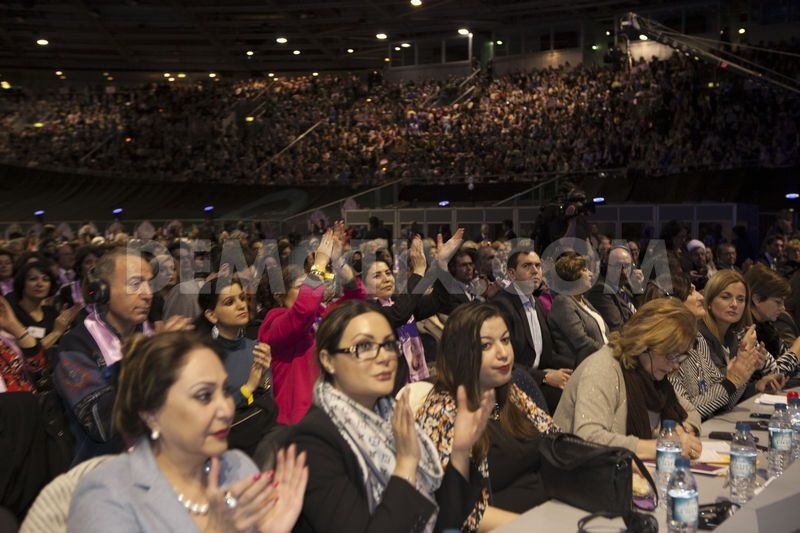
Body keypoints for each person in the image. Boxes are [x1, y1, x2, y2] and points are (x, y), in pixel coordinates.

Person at [67, 331, 308, 533]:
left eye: (225, 391)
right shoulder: (107, 495)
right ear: (152, 413)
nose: (226, 408)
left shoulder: (237, 469)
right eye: (204, 396)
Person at [289, 300, 489, 533]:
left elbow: (449, 520)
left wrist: (460, 451)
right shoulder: (312, 441)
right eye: (364, 347)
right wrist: (405, 465)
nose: (384, 357)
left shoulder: (389, 412)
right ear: (328, 360)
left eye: (388, 344)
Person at [418, 302, 557, 532]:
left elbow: (554, 437)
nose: (503, 353)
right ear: (460, 353)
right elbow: (452, 511)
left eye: (505, 340)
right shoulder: (441, 413)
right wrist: (534, 527)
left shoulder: (509, 391)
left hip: (551, 512)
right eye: (486, 345)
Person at [55, 249, 191, 463]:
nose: (148, 294)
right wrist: (153, 356)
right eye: (136, 284)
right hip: (105, 471)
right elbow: (101, 423)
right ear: (102, 292)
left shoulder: (151, 332)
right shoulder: (76, 346)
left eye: (149, 283)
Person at [553, 299, 703, 460]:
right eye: (671, 355)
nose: (675, 365)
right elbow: (588, 438)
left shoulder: (648, 374)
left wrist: (681, 431)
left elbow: (690, 411)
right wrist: (662, 446)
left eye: (681, 357)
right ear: (645, 344)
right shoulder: (602, 369)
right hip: (578, 476)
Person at [259, 226, 364, 424]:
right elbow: (302, 311)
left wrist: (338, 261)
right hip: (296, 422)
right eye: (301, 286)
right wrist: (320, 263)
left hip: (329, 414)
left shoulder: (321, 316)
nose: (309, 290)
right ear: (279, 296)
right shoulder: (275, 323)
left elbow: (356, 298)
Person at [668, 270, 784, 421]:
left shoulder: (721, 338)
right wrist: (736, 379)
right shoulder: (693, 339)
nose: (734, 304)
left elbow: (722, 399)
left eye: (741, 299)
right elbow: (689, 412)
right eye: (726, 297)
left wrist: (746, 378)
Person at [197, 276, 278, 459]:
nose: (241, 305)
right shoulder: (205, 357)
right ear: (211, 315)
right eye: (229, 302)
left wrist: (263, 379)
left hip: (262, 449)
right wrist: (248, 388)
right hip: (223, 456)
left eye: (242, 298)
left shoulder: (256, 348)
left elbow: (268, 403)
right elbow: (206, 416)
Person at [491, 248, 571, 413]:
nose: (535, 271)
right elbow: (504, 361)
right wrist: (545, 377)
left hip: (536, 377)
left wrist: (577, 366)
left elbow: (546, 354)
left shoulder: (537, 304)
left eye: (538, 266)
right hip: (512, 384)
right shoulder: (502, 305)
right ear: (512, 274)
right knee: (568, 400)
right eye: (527, 266)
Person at [547, 254, 609, 367]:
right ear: (572, 275)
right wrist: (610, 351)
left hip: (600, 359)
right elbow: (581, 340)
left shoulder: (583, 300)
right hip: (582, 366)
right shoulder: (563, 302)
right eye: (585, 270)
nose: (591, 274)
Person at [743, 264, 800, 377]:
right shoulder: (744, 330)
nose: (783, 308)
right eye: (778, 302)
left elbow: (792, 364)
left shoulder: (767, 326)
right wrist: (796, 350)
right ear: (757, 299)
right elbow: (775, 373)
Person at [10, 261, 81, 350]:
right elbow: (30, 353)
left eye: (45, 280)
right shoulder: (11, 314)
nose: (40, 284)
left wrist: (65, 328)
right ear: (22, 283)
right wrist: (56, 332)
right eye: (33, 279)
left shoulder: (52, 313)